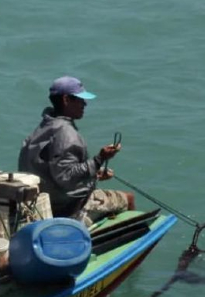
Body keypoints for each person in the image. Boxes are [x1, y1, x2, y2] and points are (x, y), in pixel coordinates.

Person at [18, 75, 134, 227]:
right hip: (67, 207)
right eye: (80, 100)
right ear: (66, 100)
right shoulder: (67, 133)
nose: (84, 104)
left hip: (43, 200)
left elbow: (54, 171)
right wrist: (100, 159)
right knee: (128, 198)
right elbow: (66, 177)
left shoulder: (44, 127)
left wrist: (96, 175)